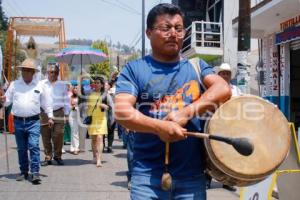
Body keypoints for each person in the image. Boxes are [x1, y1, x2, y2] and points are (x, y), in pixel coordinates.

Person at [114, 3, 231, 199]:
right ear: (149, 32)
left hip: (192, 176)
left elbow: (222, 88)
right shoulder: (134, 69)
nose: (173, 34)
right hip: (147, 177)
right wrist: (159, 127)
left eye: (178, 28)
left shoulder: (196, 66)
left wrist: (186, 112)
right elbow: (122, 111)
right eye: (166, 28)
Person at [0, 58, 54, 184]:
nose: (25, 72)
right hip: (18, 122)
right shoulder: (14, 85)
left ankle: (35, 172)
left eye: (28, 70)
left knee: (34, 146)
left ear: (33, 72)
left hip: (33, 121)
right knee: (22, 148)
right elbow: (7, 101)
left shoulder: (40, 86)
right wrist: (2, 100)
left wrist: (50, 116)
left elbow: (47, 103)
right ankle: (24, 171)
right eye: (23, 70)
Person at [40, 63, 70, 166]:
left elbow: (66, 99)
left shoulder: (62, 85)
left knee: (58, 135)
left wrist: (67, 114)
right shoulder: (42, 84)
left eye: (56, 72)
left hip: (59, 112)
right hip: (44, 113)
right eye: (51, 72)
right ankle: (48, 156)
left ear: (58, 73)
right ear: (48, 73)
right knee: (45, 136)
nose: (54, 74)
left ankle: (58, 156)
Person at [87, 77, 109, 167]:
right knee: (94, 139)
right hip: (92, 119)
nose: (96, 84)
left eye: (98, 83)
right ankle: (94, 156)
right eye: (95, 82)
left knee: (100, 138)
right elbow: (87, 106)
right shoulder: (89, 94)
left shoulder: (105, 95)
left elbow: (110, 107)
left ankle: (99, 159)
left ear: (102, 85)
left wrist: (104, 106)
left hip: (101, 119)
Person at [103, 81, 115, 153]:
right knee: (102, 132)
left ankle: (109, 146)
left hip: (112, 115)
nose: (105, 86)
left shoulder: (113, 95)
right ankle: (102, 145)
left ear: (109, 87)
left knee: (111, 132)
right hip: (104, 115)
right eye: (104, 85)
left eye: (107, 85)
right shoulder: (101, 95)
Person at [69, 84, 80, 155]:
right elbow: (69, 106)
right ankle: (75, 147)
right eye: (74, 88)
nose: (75, 89)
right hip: (72, 115)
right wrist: (73, 107)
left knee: (76, 132)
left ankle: (73, 147)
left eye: (77, 88)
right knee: (74, 131)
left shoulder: (81, 97)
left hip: (79, 115)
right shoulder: (71, 97)